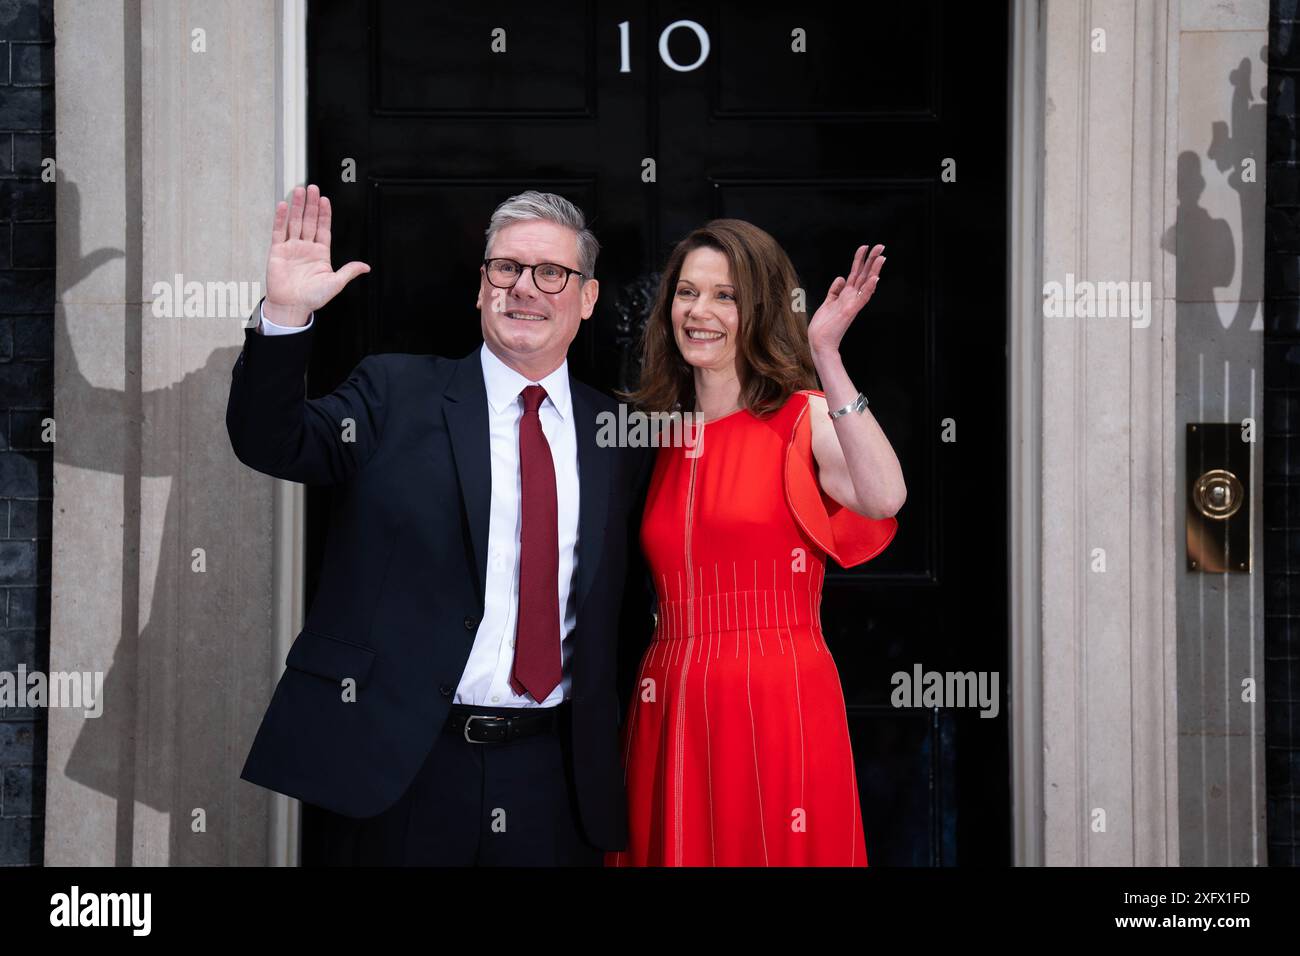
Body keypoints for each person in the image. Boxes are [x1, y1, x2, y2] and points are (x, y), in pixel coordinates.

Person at [227, 185, 651, 865]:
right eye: (505, 269)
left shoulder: (621, 434)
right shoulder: (394, 392)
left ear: (589, 298)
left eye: (552, 274)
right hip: (398, 766)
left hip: (557, 777)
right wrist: (283, 315)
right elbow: (269, 441)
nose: (525, 289)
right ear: (481, 288)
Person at [606, 220, 905, 866]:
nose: (700, 312)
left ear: (760, 307)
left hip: (776, 695)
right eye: (687, 293)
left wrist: (827, 354)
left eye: (725, 296)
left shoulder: (804, 416)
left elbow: (884, 497)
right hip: (671, 699)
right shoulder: (659, 440)